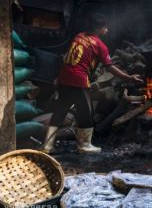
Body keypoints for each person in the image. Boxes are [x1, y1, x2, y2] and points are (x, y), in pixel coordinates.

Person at [42, 13, 143, 153]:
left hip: (64, 78)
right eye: (105, 27)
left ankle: (47, 146)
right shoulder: (100, 45)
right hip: (79, 80)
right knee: (86, 113)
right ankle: (84, 145)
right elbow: (110, 67)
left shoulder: (79, 36)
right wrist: (129, 77)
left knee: (60, 111)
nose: (107, 30)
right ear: (98, 29)